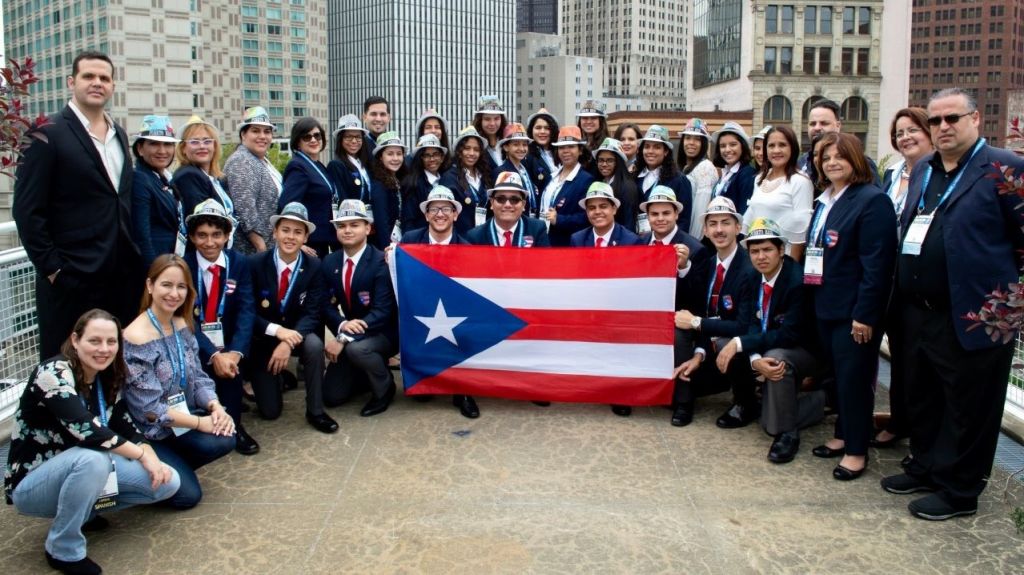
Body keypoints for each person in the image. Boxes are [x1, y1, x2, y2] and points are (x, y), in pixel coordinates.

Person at [882, 88, 1024, 520]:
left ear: (975, 119)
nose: (942, 127)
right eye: (935, 121)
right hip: (920, 310)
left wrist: (1004, 303)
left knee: (970, 406)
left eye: (952, 119)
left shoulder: (1004, 167)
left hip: (978, 315)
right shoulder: (924, 169)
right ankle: (926, 466)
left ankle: (960, 491)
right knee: (925, 395)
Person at [5, 309, 179, 575]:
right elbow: (86, 429)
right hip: (34, 483)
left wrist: (152, 457)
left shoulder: (106, 375)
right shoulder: (52, 372)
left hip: (83, 469)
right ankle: (62, 548)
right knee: (93, 458)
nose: (104, 349)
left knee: (167, 482)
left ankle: (84, 511)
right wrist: (141, 456)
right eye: (94, 341)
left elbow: (125, 424)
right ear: (75, 340)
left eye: (111, 342)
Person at [13, 50, 141, 360]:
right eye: (89, 76)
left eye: (104, 78)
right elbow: (27, 210)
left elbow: (117, 200)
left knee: (111, 361)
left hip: (118, 274)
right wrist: (54, 269)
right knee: (64, 364)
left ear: (112, 85)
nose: (97, 83)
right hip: (71, 277)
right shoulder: (46, 133)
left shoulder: (119, 135)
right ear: (72, 82)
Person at [805, 132, 897, 482]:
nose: (831, 163)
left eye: (839, 156)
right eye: (825, 157)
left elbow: (878, 266)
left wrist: (865, 314)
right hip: (824, 305)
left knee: (855, 381)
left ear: (856, 159)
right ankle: (843, 435)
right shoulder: (825, 199)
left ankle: (857, 450)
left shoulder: (872, 201)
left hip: (853, 312)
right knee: (839, 378)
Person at [122, 255, 237, 509]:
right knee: (188, 497)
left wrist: (215, 408)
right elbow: (149, 410)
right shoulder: (135, 338)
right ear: (150, 286)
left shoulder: (182, 324)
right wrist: (200, 423)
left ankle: (173, 466)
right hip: (150, 432)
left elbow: (197, 378)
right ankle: (145, 471)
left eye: (181, 286)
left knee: (226, 434)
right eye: (166, 285)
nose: (174, 293)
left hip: (179, 421)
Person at [714, 219, 826, 464]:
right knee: (726, 344)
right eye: (755, 251)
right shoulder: (753, 276)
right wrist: (754, 360)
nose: (761, 257)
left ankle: (789, 430)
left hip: (804, 350)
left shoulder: (797, 281)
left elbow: (789, 335)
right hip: (770, 343)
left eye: (767, 250)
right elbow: (751, 323)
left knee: (775, 363)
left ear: (781, 250)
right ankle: (747, 404)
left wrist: (744, 345)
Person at [871, 107, 934, 451]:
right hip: (888, 277)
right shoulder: (893, 173)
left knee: (916, 358)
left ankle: (916, 426)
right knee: (896, 353)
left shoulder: (939, 174)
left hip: (920, 280)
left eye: (913, 130)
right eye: (900, 132)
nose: (905, 137)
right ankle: (899, 418)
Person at [389, 187, 480, 418]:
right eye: (434, 209)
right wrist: (390, 257)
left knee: (467, 330)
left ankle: (463, 391)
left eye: (446, 209)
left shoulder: (467, 248)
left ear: (456, 214)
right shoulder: (410, 241)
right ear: (427, 214)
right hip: (421, 309)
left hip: (455, 312)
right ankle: (427, 380)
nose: (440, 214)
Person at [247, 203, 336, 433]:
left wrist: (288, 341)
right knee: (270, 412)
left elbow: (313, 312)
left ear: (306, 237)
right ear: (275, 232)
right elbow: (247, 311)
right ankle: (281, 378)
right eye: (285, 230)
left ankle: (315, 410)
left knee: (315, 345)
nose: (290, 237)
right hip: (264, 339)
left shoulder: (314, 266)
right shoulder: (255, 264)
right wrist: (277, 332)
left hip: (298, 334)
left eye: (298, 232)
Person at [183, 200, 260, 454]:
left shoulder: (238, 263)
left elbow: (247, 310)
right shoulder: (182, 266)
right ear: (192, 237)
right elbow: (183, 317)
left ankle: (235, 425)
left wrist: (235, 352)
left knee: (229, 369)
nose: (209, 242)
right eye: (202, 235)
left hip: (228, 342)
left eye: (217, 235)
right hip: (193, 342)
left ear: (228, 236)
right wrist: (213, 353)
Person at [672, 197, 756, 427]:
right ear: (706, 231)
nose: (719, 230)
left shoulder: (749, 267)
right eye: (713, 224)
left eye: (725, 223)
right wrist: (698, 354)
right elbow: (704, 311)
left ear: (738, 227)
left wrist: (697, 323)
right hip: (710, 344)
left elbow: (743, 326)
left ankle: (745, 402)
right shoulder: (708, 264)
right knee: (683, 388)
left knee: (728, 343)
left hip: (742, 343)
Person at [568, 182, 643, 416]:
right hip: (586, 304)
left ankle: (619, 392)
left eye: (603, 206)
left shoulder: (631, 241)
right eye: (592, 208)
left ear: (614, 209)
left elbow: (634, 285)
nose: (597, 212)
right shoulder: (577, 239)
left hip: (618, 308)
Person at [321, 199, 399, 417]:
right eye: (342, 225)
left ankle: (384, 388)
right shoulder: (329, 262)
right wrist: (342, 323)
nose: (347, 230)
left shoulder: (380, 262)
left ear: (368, 228)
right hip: (353, 330)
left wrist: (343, 338)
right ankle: (365, 373)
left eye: (354, 225)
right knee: (332, 397)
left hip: (383, 332)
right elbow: (324, 305)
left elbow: (383, 312)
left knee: (358, 350)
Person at [638, 186, 709, 426]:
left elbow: (698, 299)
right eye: (654, 214)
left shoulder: (695, 248)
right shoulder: (639, 243)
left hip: (678, 314)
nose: (660, 219)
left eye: (665, 213)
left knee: (679, 335)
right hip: (645, 312)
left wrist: (683, 267)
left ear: (676, 214)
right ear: (647, 216)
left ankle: (683, 402)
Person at [743, 125, 814, 261]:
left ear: (792, 148)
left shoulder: (800, 181)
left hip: (784, 261)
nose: (776, 150)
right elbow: (751, 217)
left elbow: (800, 231)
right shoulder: (759, 178)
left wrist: (791, 267)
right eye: (771, 146)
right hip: (758, 259)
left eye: (782, 145)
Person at [130, 115, 186, 268]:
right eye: (154, 144)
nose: (162, 151)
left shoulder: (165, 179)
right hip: (155, 264)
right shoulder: (140, 179)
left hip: (172, 259)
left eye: (168, 144)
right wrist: (155, 272)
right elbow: (142, 235)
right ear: (140, 148)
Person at [223, 106, 282, 254]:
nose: (262, 136)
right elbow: (245, 212)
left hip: (268, 246)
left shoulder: (260, 160)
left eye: (267, 132)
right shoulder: (241, 161)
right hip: (252, 251)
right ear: (243, 134)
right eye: (255, 131)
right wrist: (261, 248)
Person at [279, 117, 339, 258]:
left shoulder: (318, 166)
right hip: (310, 244)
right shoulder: (298, 167)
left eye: (317, 135)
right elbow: (287, 205)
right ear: (298, 142)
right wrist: (300, 244)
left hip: (323, 241)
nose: (313, 140)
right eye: (307, 137)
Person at [172, 115, 236, 229]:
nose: (202, 146)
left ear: (215, 146)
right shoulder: (188, 176)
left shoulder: (214, 178)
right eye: (194, 142)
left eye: (207, 141)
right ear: (183, 148)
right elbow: (201, 226)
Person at [798, 99, 880, 187]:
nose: (817, 128)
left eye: (824, 123)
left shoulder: (859, 161)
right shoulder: (801, 162)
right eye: (812, 124)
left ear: (838, 126)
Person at [539, 126, 595, 246]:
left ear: (580, 150)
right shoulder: (552, 176)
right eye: (562, 147)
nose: (565, 151)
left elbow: (587, 217)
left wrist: (559, 219)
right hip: (545, 239)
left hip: (567, 244)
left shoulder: (586, 180)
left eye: (571, 146)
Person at [466, 171, 551, 248]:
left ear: (523, 205)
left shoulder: (537, 230)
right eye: (501, 199)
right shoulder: (475, 236)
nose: (507, 205)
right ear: (491, 203)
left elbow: (545, 264)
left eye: (514, 200)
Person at [636, 125, 694, 234]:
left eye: (657, 147)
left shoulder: (679, 180)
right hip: (640, 242)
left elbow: (684, 220)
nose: (650, 151)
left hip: (666, 243)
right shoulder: (635, 176)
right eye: (647, 146)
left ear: (666, 151)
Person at [438, 126, 494, 234]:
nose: (472, 153)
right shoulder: (449, 178)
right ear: (459, 151)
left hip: (483, 237)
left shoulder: (485, 176)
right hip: (461, 239)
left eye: (476, 149)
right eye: (467, 148)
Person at [677, 118, 719, 236]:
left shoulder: (705, 168)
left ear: (704, 143)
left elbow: (701, 212)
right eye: (688, 138)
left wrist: (692, 243)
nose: (691, 142)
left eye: (697, 139)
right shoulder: (685, 168)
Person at [400, 133, 448, 233]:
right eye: (427, 155)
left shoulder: (447, 180)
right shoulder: (413, 184)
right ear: (420, 159)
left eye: (436, 154)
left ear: (442, 158)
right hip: (421, 240)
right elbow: (408, 221)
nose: (432, 159)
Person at [499, 122, 549, 218]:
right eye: (516, 144)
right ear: (506, 147)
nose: (521, 148)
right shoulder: (502, 173)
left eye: (524, 145)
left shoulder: (525, 169)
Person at [367, 131, 407, 249]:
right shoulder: (379, 184)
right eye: (390, 154)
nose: (395, 158)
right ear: (380, 157)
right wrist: (387, 247)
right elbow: (381, 221)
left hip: (397, 242)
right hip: (385, 247)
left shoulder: (398, 179)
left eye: (399, 154)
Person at [594, 138, 641, 232]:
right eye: (601, 160)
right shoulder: (599, 183)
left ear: (618, 162)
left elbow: (629, 223)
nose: (604, 164)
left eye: (610, 160)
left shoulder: (627, 187)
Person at [710, 121, 757, 215]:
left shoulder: (747, 173)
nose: (727, 150)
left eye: (733, 144)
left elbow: (745, 213)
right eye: (723, 146)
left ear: (742, 146)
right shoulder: (726, 173)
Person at [327, 114, 374, 205]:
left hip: (369, 216)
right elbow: (342, 200)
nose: (354, 141)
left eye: (358, 137)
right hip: (352, 217)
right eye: (348, 137)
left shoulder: (364, 164)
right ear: (340, 140)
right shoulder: (336, 166)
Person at [473, 95, 509, 172]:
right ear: (480, 120)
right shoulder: (475, 145)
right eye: (487, 119)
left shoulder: (507, 141)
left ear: (501, 119)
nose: (492, 123)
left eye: (496, 119)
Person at [526, 108, 560, 175]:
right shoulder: (526, 155)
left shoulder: (560, 151)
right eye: (538, 128)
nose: (542, 132)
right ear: (531, 130)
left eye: (547, 128)